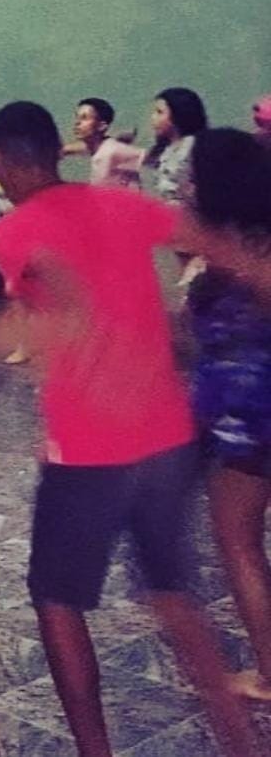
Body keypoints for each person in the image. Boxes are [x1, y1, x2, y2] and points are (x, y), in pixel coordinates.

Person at [0, 101, 256, 756]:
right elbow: (212, 243)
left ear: (5, 161)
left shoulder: (12, 232)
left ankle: (94, 749)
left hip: (89, 448)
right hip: (168, 436)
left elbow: (39, 301)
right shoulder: (122, 204)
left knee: (56, 598)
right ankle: (238, 740)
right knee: (173, 596)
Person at [187, 128, 271, 703]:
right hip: (248, 411)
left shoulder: (229, 253)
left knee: (240, 544)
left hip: (244, 419)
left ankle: (268, 673)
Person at [62, 98, 144, 188]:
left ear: (101, 126)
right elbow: (82, 147)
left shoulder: (112, 151)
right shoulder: (99, 147)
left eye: (84, 118)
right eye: (77, 117)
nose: (77, 122)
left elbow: (150, 158)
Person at [148, 87, 208, 205]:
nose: (153, 117)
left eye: (159, 112)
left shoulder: (194, 147)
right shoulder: (165, 149)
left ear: (177, 115)